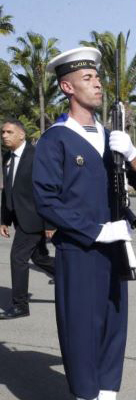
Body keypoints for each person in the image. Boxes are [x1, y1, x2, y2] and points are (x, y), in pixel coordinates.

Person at [33, 47, 136, 400]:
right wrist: (97, 230)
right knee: (82, 329)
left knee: (114, 325)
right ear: (67, 88)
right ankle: (85, 393)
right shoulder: (55, 139)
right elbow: (46, 200)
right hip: (81, 249)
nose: (98, 84)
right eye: (88, 79)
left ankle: (107, 391)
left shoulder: (109, 137)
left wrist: (132, 155)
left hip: (116, 247)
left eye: (98, 77)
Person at [0, 119, 55, 319]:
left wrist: (50, 223)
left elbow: (47, 189)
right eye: (3, 132)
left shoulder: (36, 155)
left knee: (18, 258)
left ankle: (20, 306)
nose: (4, 135)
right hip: (19, 217)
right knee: (39, 258)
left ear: (21, 135)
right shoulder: (7, 156)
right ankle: (73, 278)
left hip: (35, 218)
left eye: (9, 132)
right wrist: (3, 219)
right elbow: (7, 190)